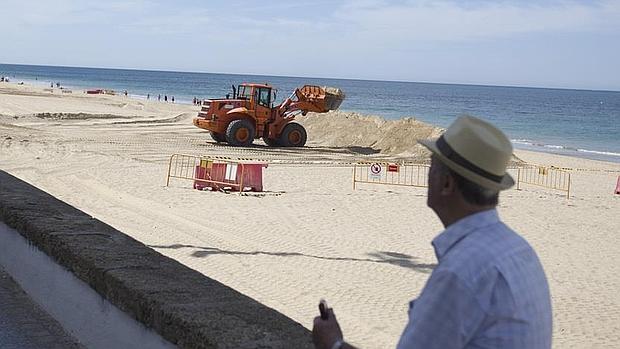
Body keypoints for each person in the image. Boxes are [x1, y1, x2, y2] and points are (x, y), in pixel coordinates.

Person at [312, 116, 552, 349]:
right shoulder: (519, 249)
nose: (428, 174)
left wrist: (333, 343)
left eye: (431, 166)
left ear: (447, 184)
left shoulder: (460, 272)